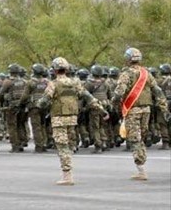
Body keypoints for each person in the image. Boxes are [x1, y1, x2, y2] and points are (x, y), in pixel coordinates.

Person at [41, 57, 106, 185]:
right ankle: (68, 172)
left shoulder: (53, 84)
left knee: (62, 146)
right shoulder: (75, 83)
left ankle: (67, 175)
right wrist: (102, 110)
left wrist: (39, 105)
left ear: (54, 70)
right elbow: (89, 97)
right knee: (69, 145)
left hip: (59, 118)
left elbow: (44, 101)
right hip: (72, 119)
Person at [114, 47, 168, 181]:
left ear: (127, 59)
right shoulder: (146, 73)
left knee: (134, 138)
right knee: (141, 135)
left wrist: (115, 105)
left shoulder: (126, 74)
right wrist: (164, 108)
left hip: (133, 109)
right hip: (147, 109)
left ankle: (141, 169)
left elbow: (119, 93)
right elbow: (157, 91)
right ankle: (142, 161)